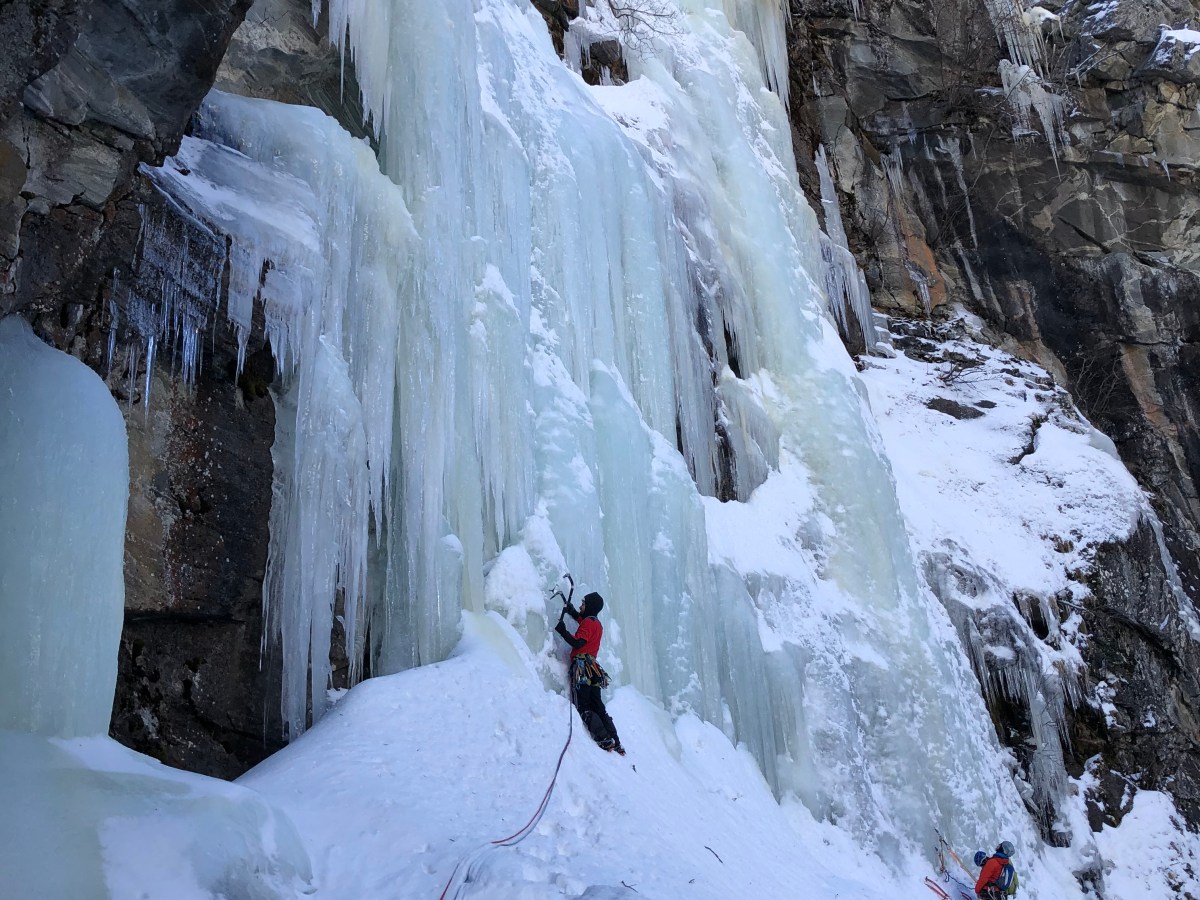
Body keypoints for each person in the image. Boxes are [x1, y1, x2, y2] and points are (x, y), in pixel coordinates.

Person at [555, 591, 624, 755]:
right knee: (599, 707)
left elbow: (578, 643)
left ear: (590, 607)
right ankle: (616, 741)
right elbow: (582, 619)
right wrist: (571, 611)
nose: (580, 606)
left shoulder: (587, 623)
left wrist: (562, 631)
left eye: (583, 604)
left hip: (582, 667)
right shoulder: (596, 624)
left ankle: (604, 739)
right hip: (593, 668)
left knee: (584, 707)